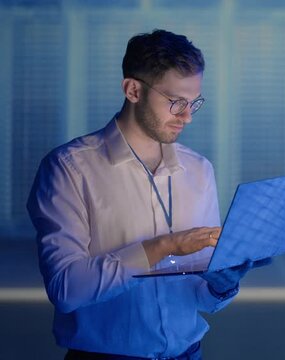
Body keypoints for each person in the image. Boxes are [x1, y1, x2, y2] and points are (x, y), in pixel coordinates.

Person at [26, 29, 266, 359]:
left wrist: (221, 283)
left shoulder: (199, 170)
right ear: (133, 90)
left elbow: (199, 298)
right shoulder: (69, 169)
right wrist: (164, 247)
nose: (188, 116)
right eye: (176, 102)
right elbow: (66, 289)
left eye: (194, 102)